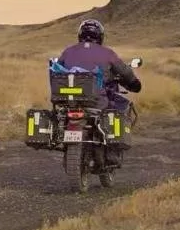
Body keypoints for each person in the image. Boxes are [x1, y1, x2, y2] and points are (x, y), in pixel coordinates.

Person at [57, 18, 142, 163]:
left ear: (80, 35)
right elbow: (124, 72)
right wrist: (134, 83)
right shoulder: (107, 53)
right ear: (100, 36)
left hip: (67, 101)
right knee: (118, 108)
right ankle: (112, 151)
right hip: (96, 101)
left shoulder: (67, 51)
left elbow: (58, 71)